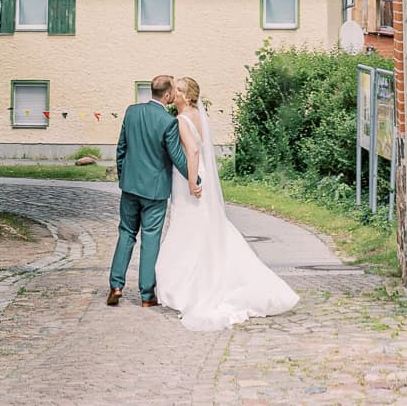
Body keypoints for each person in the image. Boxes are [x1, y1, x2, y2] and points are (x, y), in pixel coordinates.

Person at [155, 75, 299, 331]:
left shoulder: (181, 119)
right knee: (207, 225)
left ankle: (189, 287)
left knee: (190, 228)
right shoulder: (198, 116)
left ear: (188, 96)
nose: (174, 94)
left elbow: (193, 151)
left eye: (178, 90)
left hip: (192, 176)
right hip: (203, 175)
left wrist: (191, 180)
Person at [107, 72, 201, 307]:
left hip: (130, 187)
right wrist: (196, 178)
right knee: (150, 239)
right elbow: (177, 156)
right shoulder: (167, 121)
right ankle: (147, 295)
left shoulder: (131, 112)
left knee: (126, 233)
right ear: (167, 94)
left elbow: (121, 149)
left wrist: (124, 176)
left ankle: (116, 285)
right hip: (155, 191)